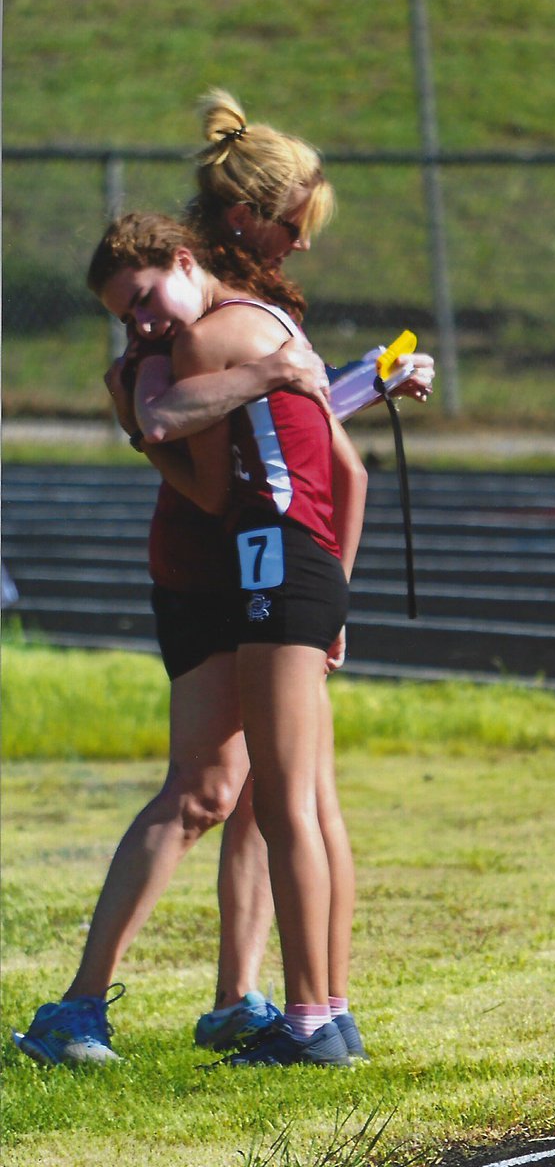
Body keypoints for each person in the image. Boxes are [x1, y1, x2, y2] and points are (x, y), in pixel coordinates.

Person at [13, 92, 432, 1069]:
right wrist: (278, 384)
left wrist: (358, 382)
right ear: (244, 221)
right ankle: (111, 1006)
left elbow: (292, 429)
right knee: (221, 791)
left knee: (267, 797)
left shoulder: (229, 302)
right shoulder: (177, 322)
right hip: (215, 563)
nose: (304, 244)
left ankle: (259, 1004)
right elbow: (178, 429)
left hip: (266, 556)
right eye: (295, 224)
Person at [89, 210, 367, 1066]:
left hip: (274, 560)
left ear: (183, 259)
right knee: (297, 805)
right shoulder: (268, 325)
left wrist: (141, 416)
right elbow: (346, 468)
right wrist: (339, 594)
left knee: (281, 807)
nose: (140, 326)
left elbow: (171, 425)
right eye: (125, 317)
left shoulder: (211, 339)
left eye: (141, 302)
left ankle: (311, 1021)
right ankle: (322, 1013)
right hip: (288, 563)